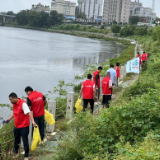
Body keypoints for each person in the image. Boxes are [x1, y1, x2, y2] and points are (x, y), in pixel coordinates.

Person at [6, 93, 36, 160]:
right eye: (9, 99)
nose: (10, 101)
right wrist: (9, 119)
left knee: (25, 140)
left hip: (24, 126)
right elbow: (14, 113)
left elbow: (29, 113)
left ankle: (26, 155)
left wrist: (33, 122)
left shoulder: (23, 104)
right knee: (16, 139)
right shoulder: (14, 104)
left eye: (11, 99)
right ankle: (15, 151)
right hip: (17, 125)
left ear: (15, 98)